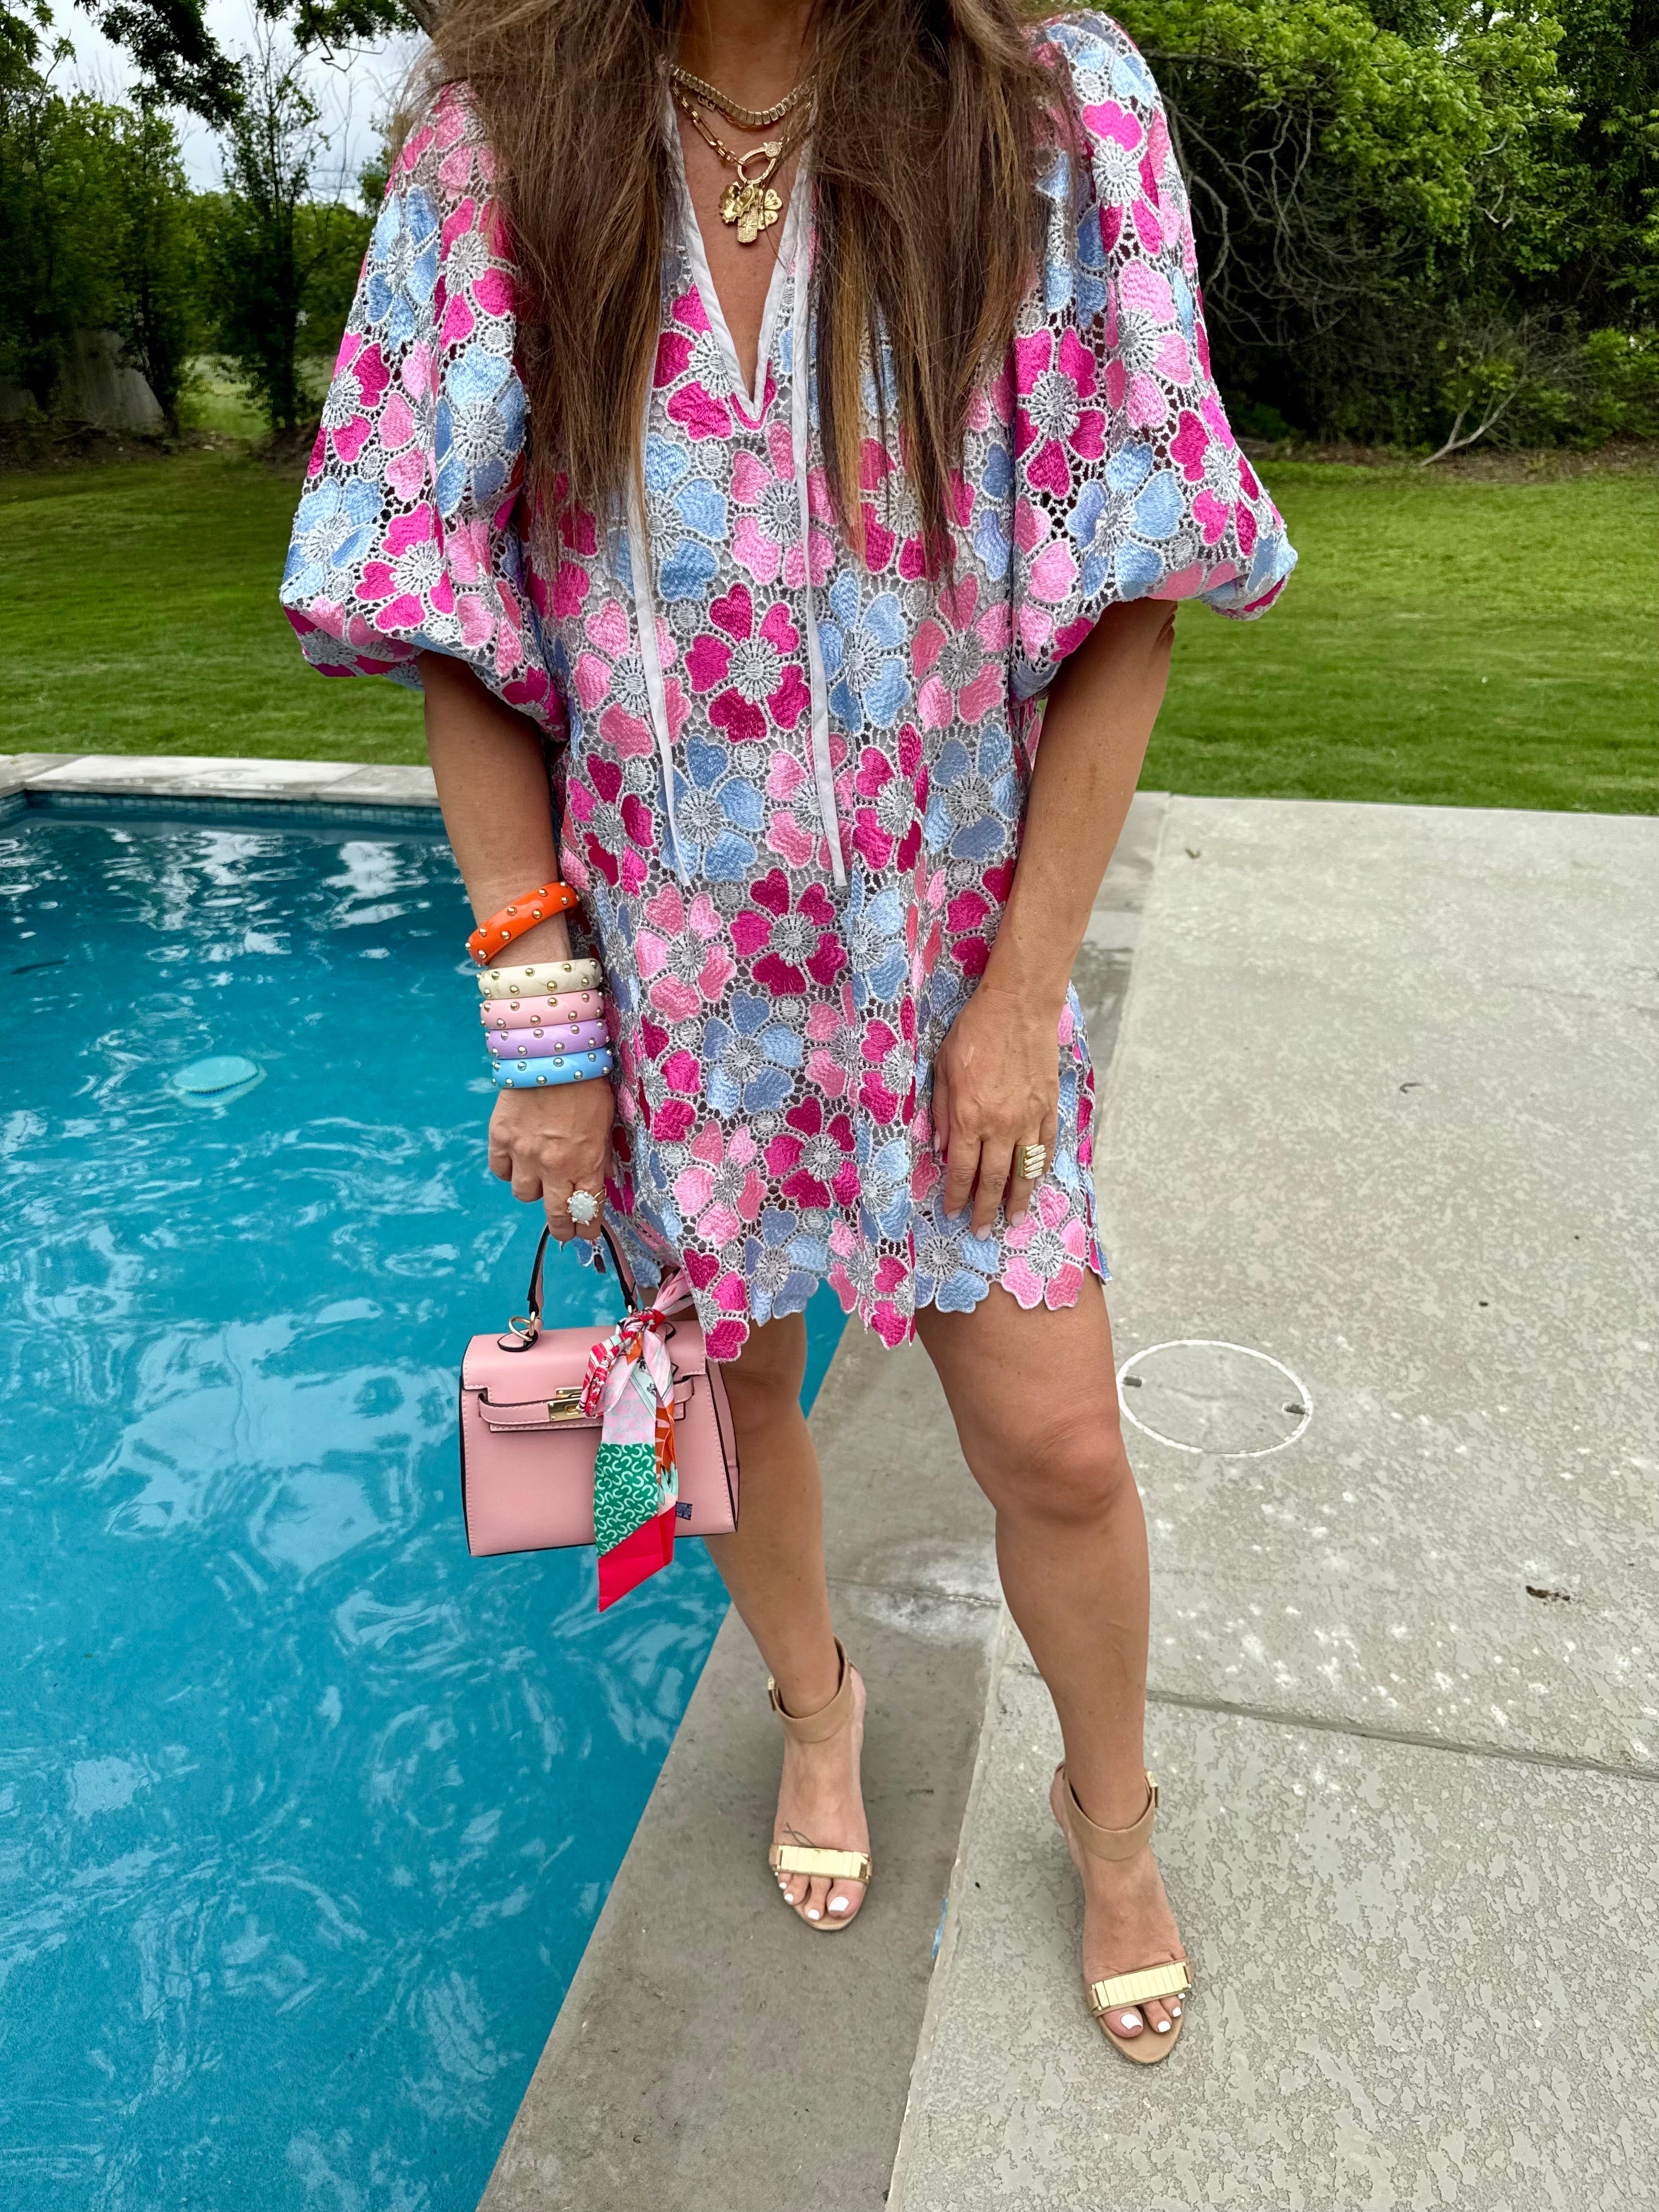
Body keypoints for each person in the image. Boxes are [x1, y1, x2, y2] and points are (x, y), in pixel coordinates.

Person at [281, 0, 1294, 2062]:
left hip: (952, 982)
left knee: (1061, 1443)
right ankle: (815, 1709)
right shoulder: (497, 147)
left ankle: (1110, 1819)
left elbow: (1137, 584)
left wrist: (1025, 998)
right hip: (669, 1007)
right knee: (721, 1408)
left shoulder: (1046, 115)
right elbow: (448, 604)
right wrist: (546, 1022)